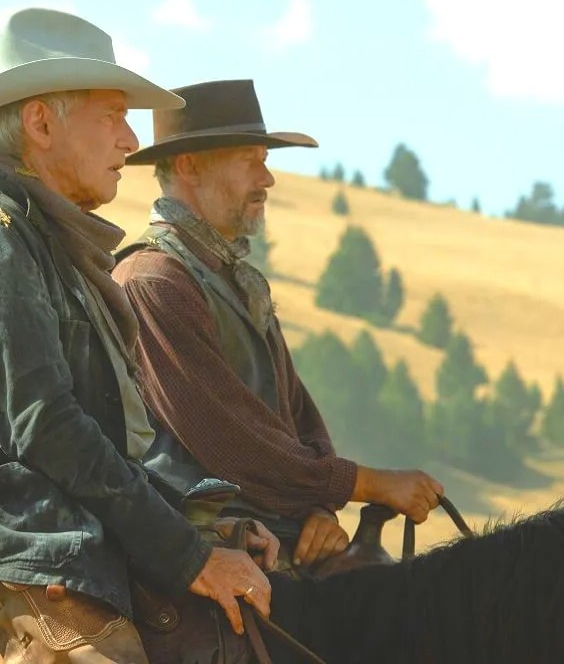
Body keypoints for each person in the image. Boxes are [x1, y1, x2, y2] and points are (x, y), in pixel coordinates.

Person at [0, 13, 275, 663]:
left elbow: (100, 442)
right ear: (42, 124)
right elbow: (45, 427)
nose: (130, 141)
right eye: (113, 117)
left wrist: (199, 519)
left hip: (64, 534)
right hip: (12, 540)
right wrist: (188, 557)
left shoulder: (47, 245)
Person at [113, 79, 445, 574]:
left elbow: (296, 419)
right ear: (190, 166)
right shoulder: (153, 281)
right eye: (251, 160)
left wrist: (316, 509)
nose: (266, 179)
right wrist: (371, 485)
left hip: (269, 530)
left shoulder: (236, 279)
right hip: (198, 545)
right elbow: (229, 438)